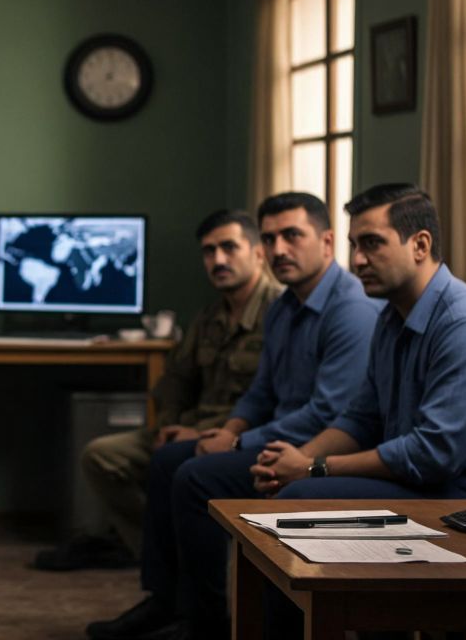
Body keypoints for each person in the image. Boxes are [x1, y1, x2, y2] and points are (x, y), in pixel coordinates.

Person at [86, 191, 381, 640]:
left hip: (319, 446)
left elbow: (329, 411)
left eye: (292, 236)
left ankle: (206, 622)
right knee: (168, 460)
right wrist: (231, 430)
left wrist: (239, 441)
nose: (279, 249)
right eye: (271, 238)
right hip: (276, 437)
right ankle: (166, 601)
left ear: (326, 242)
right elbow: (261, 390)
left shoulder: (350, 309)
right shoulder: (284, 307)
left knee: (194, 476)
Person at [250, 184, 466, 638]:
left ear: (420, 245)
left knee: (303, 499)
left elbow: (433, 455)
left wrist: (313, 469)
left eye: (372, 243)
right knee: (283, 492)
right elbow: (362, 418)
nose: (356, 260)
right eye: (354, 244)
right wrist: (294, 460)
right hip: (419, 483)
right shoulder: (391, 317)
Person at [36, 209, 282, 571]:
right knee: (101, 456)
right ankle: (151, 552)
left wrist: (196, 433)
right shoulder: (210, 316)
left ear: (258, 252)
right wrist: (168, 423)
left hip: (234, 436)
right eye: (209, 251)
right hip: (186, 427)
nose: (218, 260)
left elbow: (273, 400)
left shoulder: (280, 312)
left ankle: (166, 560)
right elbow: (174, 380)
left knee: (180, 466)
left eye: (229, 248)